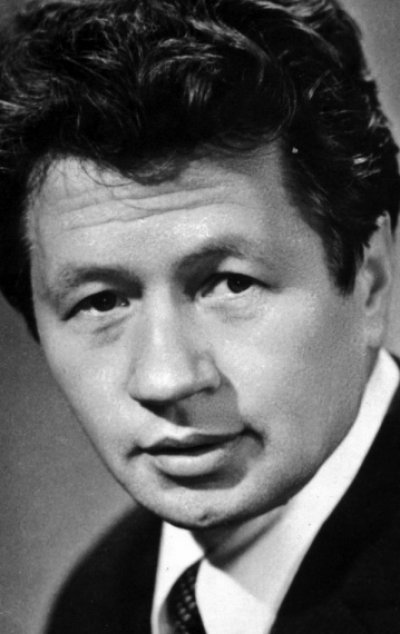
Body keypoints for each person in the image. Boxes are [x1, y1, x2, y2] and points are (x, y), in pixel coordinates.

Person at [0, 0, 399, 631]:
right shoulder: (99, 602)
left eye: (230, 285)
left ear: (370, 281)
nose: (168, 380)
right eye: (101, 302)